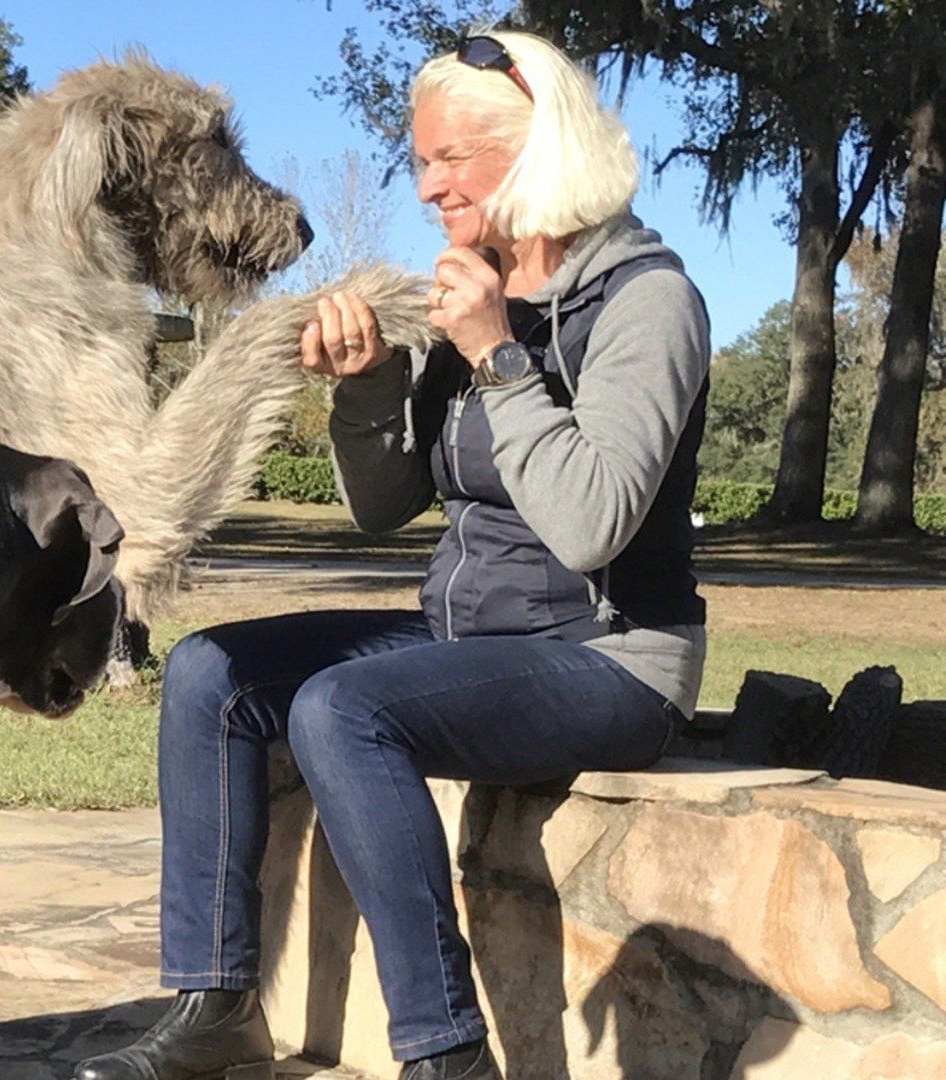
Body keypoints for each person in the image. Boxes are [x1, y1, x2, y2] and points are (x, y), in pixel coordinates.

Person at [75, 30, 711, 1080]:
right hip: (467, 637)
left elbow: (595, 520)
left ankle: (444, 1053)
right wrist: (367, 387)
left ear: (540, 146)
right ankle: (217, 1002)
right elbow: (388, 507)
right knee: (208, 675)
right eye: (420, 162)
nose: (426, 188)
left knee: (344, 709)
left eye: (449, 159)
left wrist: (498, 357)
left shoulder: (647, 299)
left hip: (611, 656)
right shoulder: (477, 287)